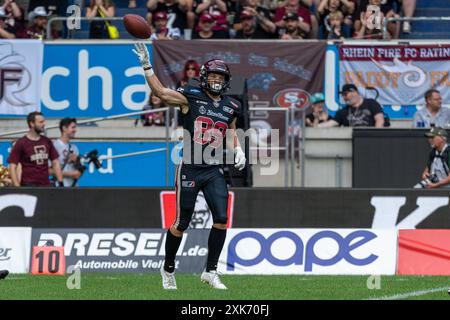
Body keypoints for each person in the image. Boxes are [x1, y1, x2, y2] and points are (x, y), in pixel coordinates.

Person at [133, 42, 246, 290]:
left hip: (213, 168)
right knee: (182, 223)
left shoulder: (232, 105)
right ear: (204, 78)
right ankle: (168, 268)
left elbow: (230, 129)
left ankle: (211, 271)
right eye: (213, 76)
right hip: (190, 167)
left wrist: (237, 148)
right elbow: (161, 92)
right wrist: (146, 65)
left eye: (221, 77)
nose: (217, 81)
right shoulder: (190, 97)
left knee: (221, 218)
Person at [8, 112, 63, 187]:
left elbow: (55, 162)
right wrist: (17, 186)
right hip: (28, 186)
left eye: (44, 121)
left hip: (46, 186)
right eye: (41, 122)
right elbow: (12, 166)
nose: (44, 124)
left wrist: (60, 183)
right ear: (32, 124)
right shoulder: (21, 143)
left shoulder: (47, 141)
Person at [319, 83, 384, 127]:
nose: (344, 98)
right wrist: (317, 126)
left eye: (345, 94)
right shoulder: (343, 112)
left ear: (354, 92)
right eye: (343, 95)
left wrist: (376, 137)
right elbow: (332, 123)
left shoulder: (371, 103)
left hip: (370, 139)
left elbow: (379, 119)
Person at [51, 118, 83, 187]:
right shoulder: (54, 146)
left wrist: (77, 162)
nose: (75, 130)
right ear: (64, 128)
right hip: (59, 187)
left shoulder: (74, 148)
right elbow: (47, 171)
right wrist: (70, 174)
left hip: (73, 187)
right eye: (73, 127)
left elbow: (77, 174)